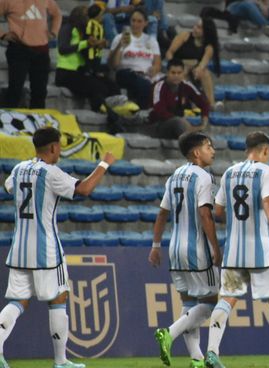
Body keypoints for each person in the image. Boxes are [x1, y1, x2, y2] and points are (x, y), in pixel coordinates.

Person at [0, 127, 115, 368]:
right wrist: (104, 164)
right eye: (59, 146)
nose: (60, 150)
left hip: (19, 249)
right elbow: (84, 189)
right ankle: (61, 361)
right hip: (47, 251)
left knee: (18, 302)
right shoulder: (51, 173)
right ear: (53, 147)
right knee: (58, 299)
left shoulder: (19, 169)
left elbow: (8, 187)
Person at [205, 132, 269, 368]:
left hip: (234, 251)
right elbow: (268, 201)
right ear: (265, 150)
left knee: (227, 298)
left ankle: (211, 351)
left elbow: (218, 212)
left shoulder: (229, 173)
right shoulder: (267, 171)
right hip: (262, 249)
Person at [149, 132, 222, 368]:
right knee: (211, 301)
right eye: (208, 146)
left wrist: (155, 246)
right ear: (196, 152)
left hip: (175, 249)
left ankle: (196, 359)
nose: (213, 150)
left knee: (189, 302)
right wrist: (214, 247)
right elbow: (204, 214)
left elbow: (162, 213)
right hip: (197, 249)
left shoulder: (174, 177)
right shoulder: (203, 177)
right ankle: (169, 332)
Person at [108, 59, 210, 139]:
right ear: (167, 73)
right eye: (173, 73)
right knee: (179, 123)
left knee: (199, 131)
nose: (176, 76)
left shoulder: (186, 86)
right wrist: (186, 125)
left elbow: (204, 103)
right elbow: (159, 111)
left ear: (183, 74)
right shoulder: (159, 86)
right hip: (156, 125)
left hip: (177, 124)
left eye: (179, 73)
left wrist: (204, 123)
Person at [55, 6, 121, 112]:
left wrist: (97, 47)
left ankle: (119, 108)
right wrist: (86, 43)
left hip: (80, 71)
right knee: (97, 87)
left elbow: (88, 56)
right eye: (86, 15)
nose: (89, 18)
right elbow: (63, 49)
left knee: (111, 84)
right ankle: (102, 111)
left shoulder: (85, 32)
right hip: (65, 73)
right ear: (78, 15)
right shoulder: (68, 28)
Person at [0, 0, 62, 109]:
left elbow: (57, 14)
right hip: (18, 49)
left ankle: (38, 123)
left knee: (40, 92)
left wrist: (53, 32)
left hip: (41, 50)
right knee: (15, 90)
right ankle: (8, 122)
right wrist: (3, 35)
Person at [109, 8, 161, 108]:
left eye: (139, 21)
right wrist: (120, 45)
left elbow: (157, 64)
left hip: (145, 75)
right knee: (142, 83)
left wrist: (154, 69)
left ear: (145, 23)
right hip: (126, 74)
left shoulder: (151, 41)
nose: (135, 24)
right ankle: (143, 110)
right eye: (133, 20)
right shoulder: (120, 38)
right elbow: (114, 65)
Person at [165, 18, 221, 108]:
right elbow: (169, 53)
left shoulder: (209, 47)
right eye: (195, 26)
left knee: (205, 73)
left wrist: (197, 69)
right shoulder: (185, 36)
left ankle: (211, 104)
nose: (195, 29)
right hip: (178, 67)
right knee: (183, 71)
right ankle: (184, 102)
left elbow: (203, 63)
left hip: (194, 72)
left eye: (199, 28)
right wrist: (175, 65)